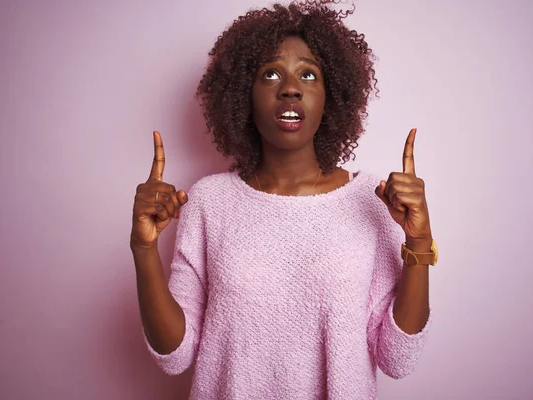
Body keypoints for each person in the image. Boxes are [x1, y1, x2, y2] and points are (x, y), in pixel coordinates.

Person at [130, 1, 437, 398]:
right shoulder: (209, 202)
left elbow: (399, 358)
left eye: (308, 75)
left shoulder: (373, 199)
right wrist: (143, 248)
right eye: (271, 73)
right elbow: (175, 355)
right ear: (244, 95)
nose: (290, 88)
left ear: (331, 97)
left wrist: (419, 241)